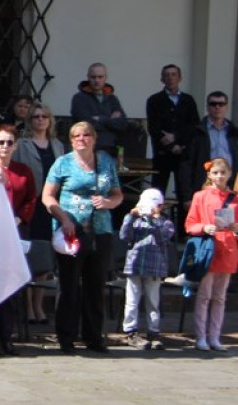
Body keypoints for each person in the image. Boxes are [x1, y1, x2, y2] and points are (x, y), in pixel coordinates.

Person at [42, 121, 123, 354]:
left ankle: (94, 336)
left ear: (94, 138)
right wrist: (63, 217)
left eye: (86, 135)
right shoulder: (62, 163)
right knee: (69, 286)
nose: (81, 139)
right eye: (76, 135)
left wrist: (109, 202)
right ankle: (66, 337)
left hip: (100, 230)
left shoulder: (106, 161)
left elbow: (117, 194)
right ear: (71, 140)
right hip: (71, 231)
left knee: (95, 285)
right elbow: (47, 196)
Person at [0, 124, 35, 355]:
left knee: (11, 287)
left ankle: (7, 337)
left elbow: (31, 199)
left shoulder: (23, 171)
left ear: (15, 146)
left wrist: (20, 219)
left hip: (14, 233)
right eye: (1, 142)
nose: (5, 147)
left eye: (9, 142)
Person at [13, 102, 64, 323]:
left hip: (51, 205)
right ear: (29, 121)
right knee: (30, 252)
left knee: (45, 253)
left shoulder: (58, 145)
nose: (40, 120)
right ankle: (27, 306)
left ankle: (38, 304)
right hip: (31, 204)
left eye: (44, 116)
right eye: (36, 117)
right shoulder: (23, 145)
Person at [183, 158, 237, 352]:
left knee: (220, 297)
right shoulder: (200, 196)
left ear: (229, 174)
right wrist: (205, 227)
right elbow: (190, 224)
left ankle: (215, 336)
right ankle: (201, 337)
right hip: (208, 249)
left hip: (228, 249)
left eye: (223, 173)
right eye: (216, 173)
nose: (220, 176)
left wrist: (235, 228)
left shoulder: (235, 198)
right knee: (205, 295)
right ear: (209, 175)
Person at [119, 188, 174, 350]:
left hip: (155, 268)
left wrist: (155, 219)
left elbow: (163, 236)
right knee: (132, 300)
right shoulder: (135, 221)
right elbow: (124, 236)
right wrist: (131, 216)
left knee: (153, 301)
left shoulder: (166, 223)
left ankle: (154, 331)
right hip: (134, 267)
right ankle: (130, 331)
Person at [146, 64, 199, 196]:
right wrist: (170, 146)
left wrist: (176, 138)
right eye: (167, 75)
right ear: (162, 79)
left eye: (173, 74)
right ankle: (156, 217)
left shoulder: (188, 100)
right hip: (162, 153)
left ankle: (183, 217)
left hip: (184, 152)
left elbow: (194, 126)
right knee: (157, 192)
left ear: (180, 78)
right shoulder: (154, 100)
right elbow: (154, 128)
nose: (170, 78)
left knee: (184, 191)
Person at [178, 92, 238, 208]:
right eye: (213, 104)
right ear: (207, 107)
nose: (217, 107)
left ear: (227, 107)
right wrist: (187, 196)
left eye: (221, 104)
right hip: (204, 186)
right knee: (206, 223)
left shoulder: (233, 132)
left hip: (230, 187)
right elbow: (186, 165)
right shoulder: (196, 132)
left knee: (228, 224)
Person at [70, 62, 128, 156]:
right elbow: (85, 125)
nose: (97, 80)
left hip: (112, 150)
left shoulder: (112, 99)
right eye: (93, 77)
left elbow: (123, 124)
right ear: (88, 77)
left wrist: (101, 119)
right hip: (88, 150)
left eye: (100, 77)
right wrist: (111, 120)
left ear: (106, 77)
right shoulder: (79, 98)